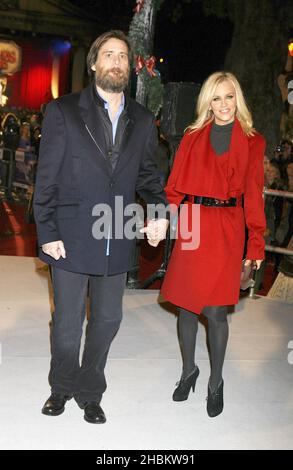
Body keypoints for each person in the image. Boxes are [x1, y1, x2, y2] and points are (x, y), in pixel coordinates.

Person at [33, 30, 168, 424]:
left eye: (122, 56)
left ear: (129, 67)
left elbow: (148, 177)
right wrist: (48, 232)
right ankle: (61, 387)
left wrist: (159, 213)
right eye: (107, 55)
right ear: (93, 63)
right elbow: (47, 179)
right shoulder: (63, 111)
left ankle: (91, 392)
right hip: (71, 235)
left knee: (108, 320)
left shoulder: (142, 121)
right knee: (67, 323)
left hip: (118, 233)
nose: (115, 61)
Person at [160, 71, 266, 418]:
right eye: (216, 98)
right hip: (193, 223)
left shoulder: (253, 142)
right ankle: (189, 370)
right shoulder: (192, 137)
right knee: (187, 307)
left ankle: (215, 382)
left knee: (217, 311)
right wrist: (165, 220)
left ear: (239, 99)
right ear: (208, 102)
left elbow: (253, 198)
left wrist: (255, 247)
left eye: (229, 96)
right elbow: (174, 188)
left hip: (228, 228)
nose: (223, 105)